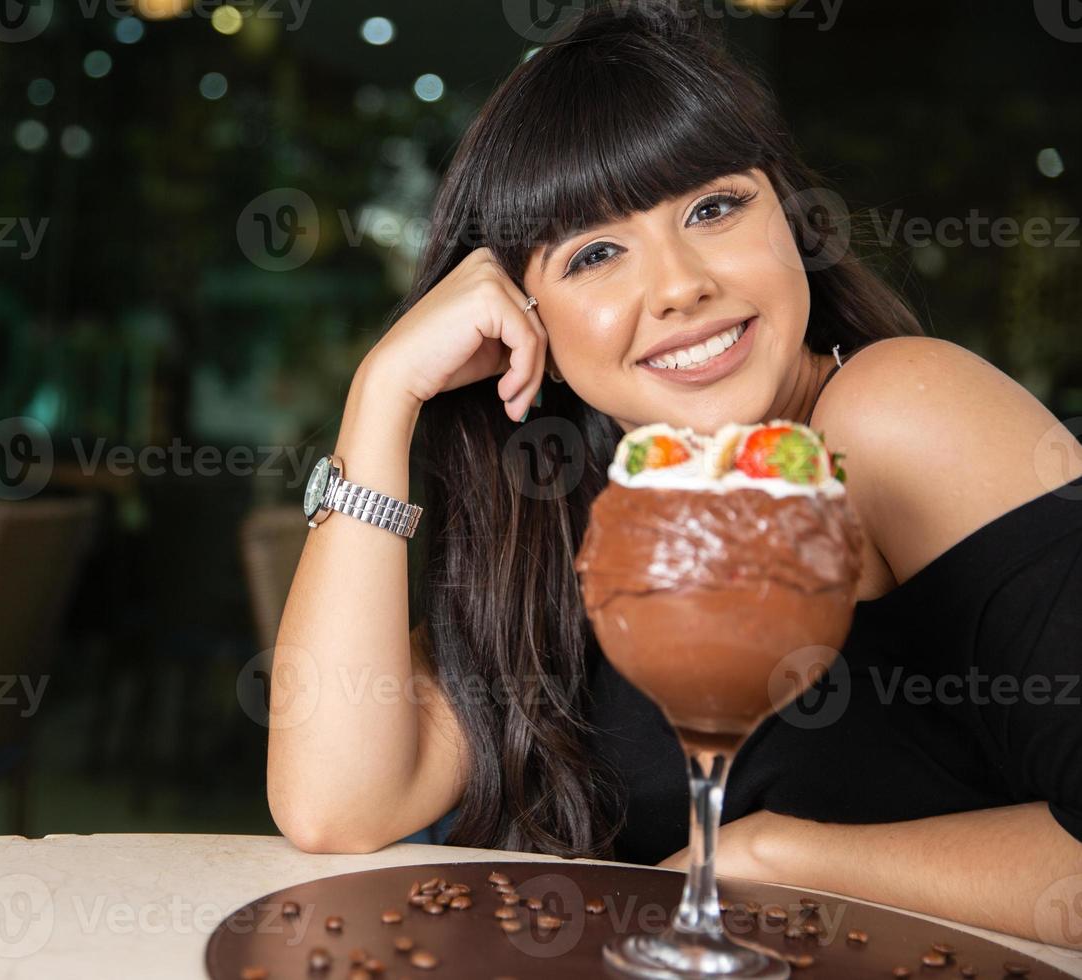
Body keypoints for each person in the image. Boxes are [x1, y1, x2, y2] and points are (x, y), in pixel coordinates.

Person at [268, 0, 1082, 946]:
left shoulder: (898, 411)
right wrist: (382, 398)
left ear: (791, 221)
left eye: (715, 206)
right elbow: (336, 806)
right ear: (529, 323)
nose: (680, 284)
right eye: (597, 254)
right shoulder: (581, 509)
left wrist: (777, 861)